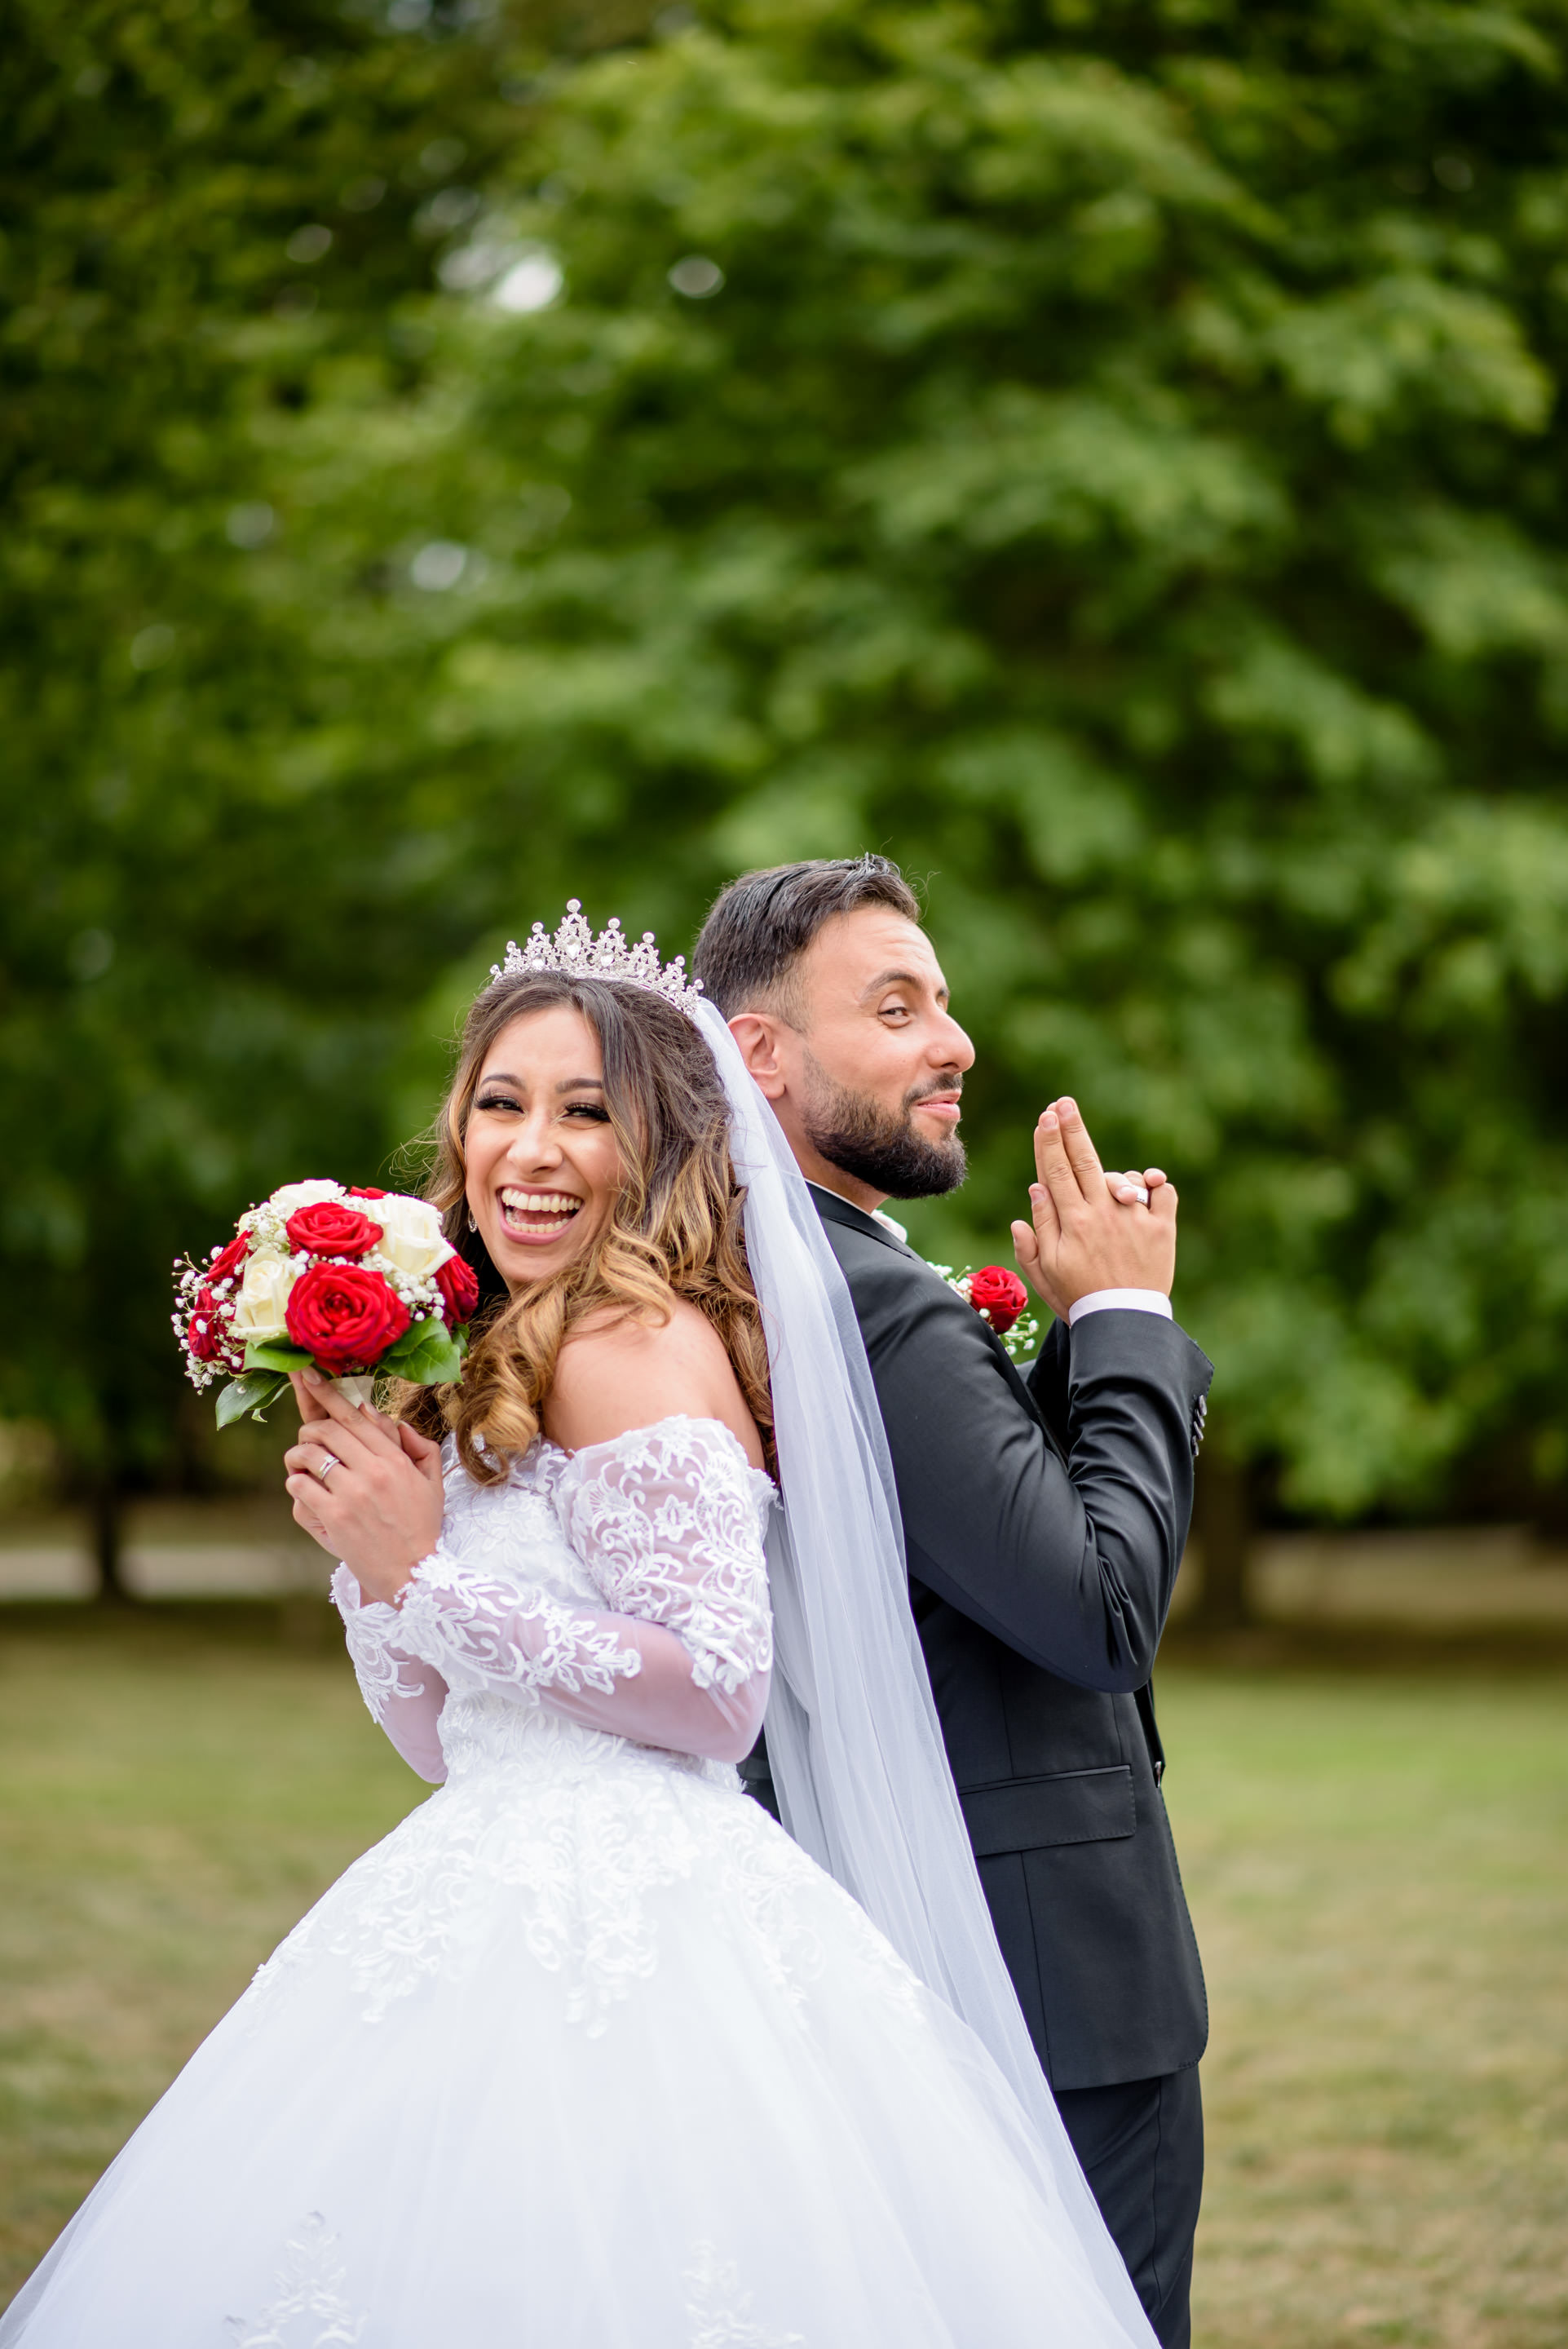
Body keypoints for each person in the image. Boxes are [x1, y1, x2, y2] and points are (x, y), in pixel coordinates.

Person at [0, 914, 1164, 2348]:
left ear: (656, 1145)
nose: (530, 1150)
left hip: (649, 1931)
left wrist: (424, 1577)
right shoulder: (502, 1351)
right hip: (475, 1888)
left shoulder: (636, 1344)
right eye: (500, 1104)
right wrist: (377, 1568)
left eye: (583, 1111)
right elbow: (448, 1740)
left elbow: (721, 1697)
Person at [693, 857, 1214, 2349]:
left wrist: (1054, 1358)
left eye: (948, 1003)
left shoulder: (757, 1272)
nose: (957, 1043)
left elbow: (940, 1571)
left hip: (899, 1931)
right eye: (899, 1006)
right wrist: (1127, 1316)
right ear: (761, 1055)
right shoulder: (864, 1297)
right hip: (1048, 1980)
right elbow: (1098, 1609)